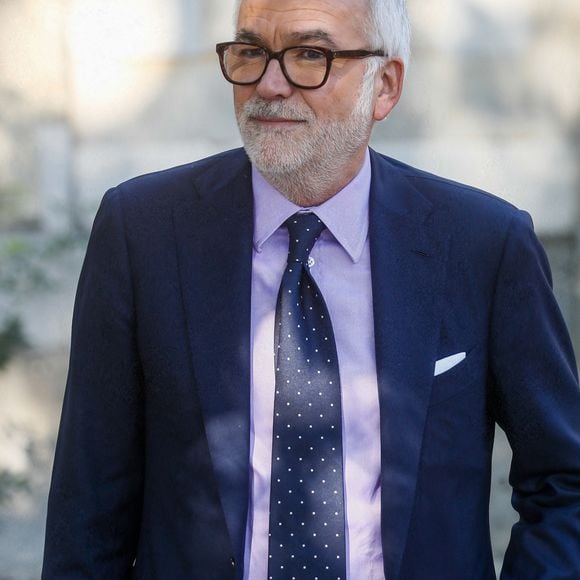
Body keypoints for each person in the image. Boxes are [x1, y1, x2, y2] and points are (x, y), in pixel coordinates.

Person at [43, 0, 580, 578]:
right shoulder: (142, 230)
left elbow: (564, 480)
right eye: (250, 52)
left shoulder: (483, 243)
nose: (269, 85)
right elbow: (88, 506)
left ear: (385, 85)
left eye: (309, 55)